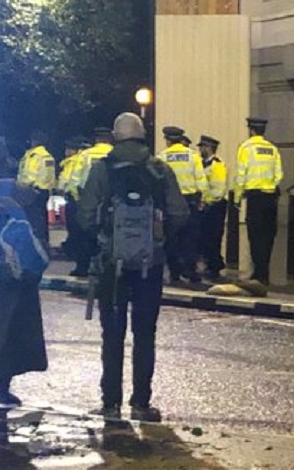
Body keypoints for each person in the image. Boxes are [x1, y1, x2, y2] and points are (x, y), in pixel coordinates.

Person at [78, 113, 188, 422]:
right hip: (148, 265)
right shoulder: (159, 169)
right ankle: (141, 402)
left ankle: (110, 402)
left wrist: (104, 237)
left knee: (112, 335)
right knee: (144, 333)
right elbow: (180, 212)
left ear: (115, 136)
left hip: (112, 264)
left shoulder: (102, 169)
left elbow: (85, 215)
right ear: (142, 136)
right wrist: (160, 239)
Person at [0, 137, 49, 411]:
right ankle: (2, 391)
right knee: (5, 330)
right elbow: (39, 235)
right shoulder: (20, 192)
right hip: (7, 275)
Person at [233, 117, 282, 289]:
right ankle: (264, 272)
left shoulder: (246, 148)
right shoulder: (272, 148)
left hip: (254, 197)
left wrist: (237, 198)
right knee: (268, 236)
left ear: (251, 130)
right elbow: (279, 175)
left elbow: (241, 175)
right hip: (270, 197)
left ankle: (258, 273)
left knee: (255, 236)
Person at [157, 126, 207, 284]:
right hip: (190, 201)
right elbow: (201, 180)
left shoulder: (163, 157)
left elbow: (159, 182)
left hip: (171, 203)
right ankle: (190, 270)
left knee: (171, 238)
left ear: (168, 140)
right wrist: (201, 200)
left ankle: (175, 272)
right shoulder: (193, 156)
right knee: (190, 238)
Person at [69, 128, 115, 277]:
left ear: (96, 139)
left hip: (89, 200)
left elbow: (75, 180)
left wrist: (78, 202)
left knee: (85, 236)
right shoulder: (115, 154)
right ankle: (109, 269)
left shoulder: (85, 155)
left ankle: (82, 268)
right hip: (112, 203)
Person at [16, 129, 56, 248]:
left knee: (38, 220)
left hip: (38, 192)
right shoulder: (29, 155)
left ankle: (42, 243)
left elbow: (47, 177)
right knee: (31, 218)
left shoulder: (45, 157)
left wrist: (36, 189)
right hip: (26, 191)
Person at [198, 135, 228, 281]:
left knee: (214, 237)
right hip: (205, 206)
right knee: (205, 237)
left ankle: (215, 266)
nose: (200, 150)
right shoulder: (202, 164)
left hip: (215, 206)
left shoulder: (217, 165)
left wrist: (208, 203)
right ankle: (211, 264)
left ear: (209, 148)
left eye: (202, 147)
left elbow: (218, 189)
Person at [58, 137, 86, 264]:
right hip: (71, 197)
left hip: (76, 199)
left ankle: (74, 249)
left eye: (69, 149)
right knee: (71, 225)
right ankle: (72, 247)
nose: (66, 151)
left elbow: (75, 181)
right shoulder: (69, 162)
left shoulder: (77, 162)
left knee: (75, 226)